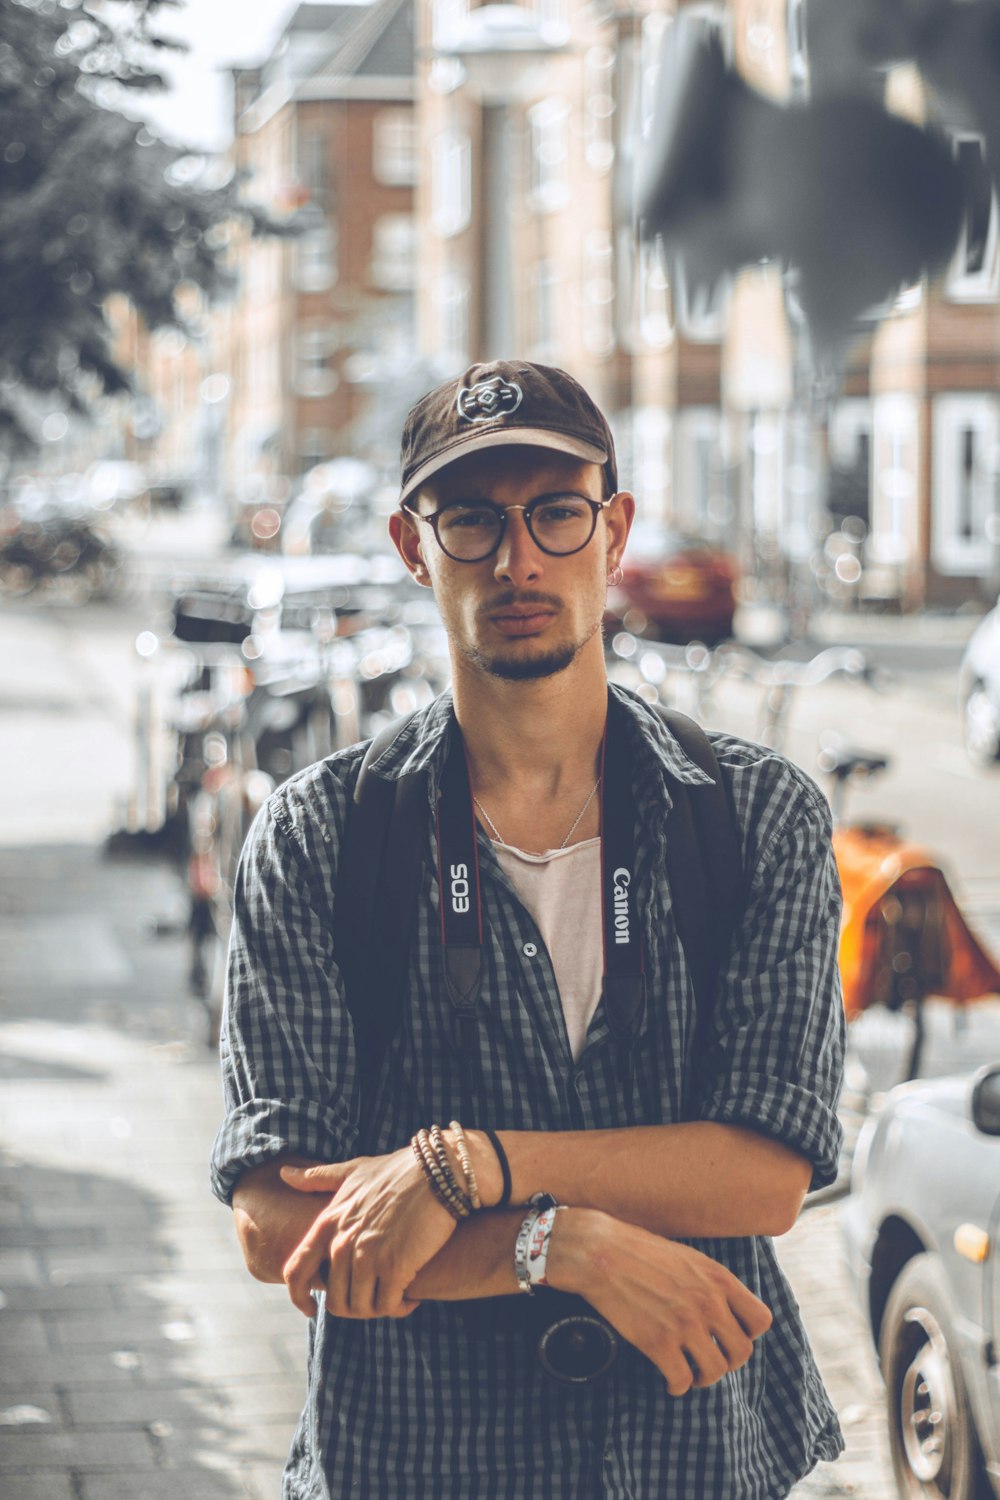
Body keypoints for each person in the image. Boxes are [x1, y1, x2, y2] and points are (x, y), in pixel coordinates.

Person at [211, 360, 847, 1499]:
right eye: (471, 521)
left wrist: (459, 1168)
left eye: (555, 512)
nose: (519, 559)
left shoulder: (753, 816)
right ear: (414, 548)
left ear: (614, 530)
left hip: (691, 1454)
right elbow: (275, 1222)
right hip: (416, 1460)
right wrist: (559, 1244)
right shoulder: (320, 837)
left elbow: (762, 1172)